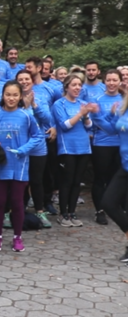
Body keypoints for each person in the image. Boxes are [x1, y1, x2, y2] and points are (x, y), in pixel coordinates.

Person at [0, 80, 44, 252]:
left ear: (20, 97)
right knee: (0, 202)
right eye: (8, 94)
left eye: (14, 95)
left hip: (19, 165)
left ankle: (17, 237)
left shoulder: (26, 116)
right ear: (2, 95)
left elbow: (37, 136)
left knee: (17, 203)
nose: (11, 98)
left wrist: (22, 150)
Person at [52, 74, 98, 227]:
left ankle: (72, 212)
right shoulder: (59, 104)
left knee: (77, 182)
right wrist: (80, 114)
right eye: (74, 85)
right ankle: (63, 213)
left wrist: (85, 116)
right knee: (67, 181)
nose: (78, 88)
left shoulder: (83, 103)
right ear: (66, 87)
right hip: (68, 148)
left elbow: (89, 126)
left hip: (84, 147)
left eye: (79, 85)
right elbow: (64, 125)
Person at [15, 70, 54, 228]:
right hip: (20, 146)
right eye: (21, 79)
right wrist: (23, 106)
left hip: (38, 146)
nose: (24, 82)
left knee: (37, 181)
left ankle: (39, 210)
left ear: (32, 81)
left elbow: (47, 119)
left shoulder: (40, 97)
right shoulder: (12, 97)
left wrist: (34, 105)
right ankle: (20, 212)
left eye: (27, 79)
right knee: (22, 180)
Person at [93, 91, 128, 262]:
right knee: (108, 202)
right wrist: (97, 114)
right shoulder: (123, 108)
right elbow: (110, 129)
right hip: (125, 166)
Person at [89, 69, 123, 225]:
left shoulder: (124, 98)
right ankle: (99, 210)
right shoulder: (98, 99)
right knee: (100, 178)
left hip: (121, 145)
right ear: (104, 81)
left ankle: (116, 208)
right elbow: (105, 126)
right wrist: (110, 115)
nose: (111, 83)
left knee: (116, 179)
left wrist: (111, 117)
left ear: (120, 81)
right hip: (102, 144)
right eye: (108, 80)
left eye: (114, 80)